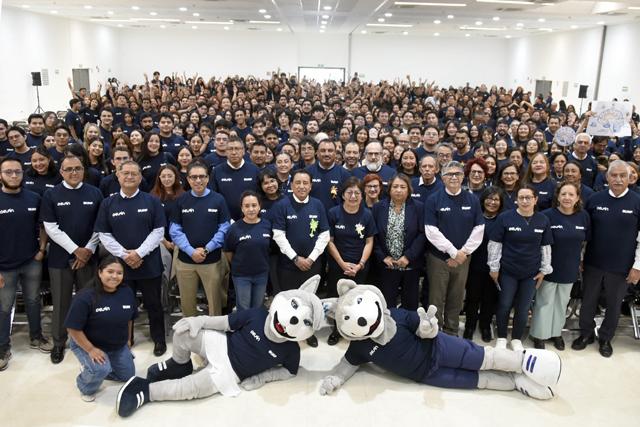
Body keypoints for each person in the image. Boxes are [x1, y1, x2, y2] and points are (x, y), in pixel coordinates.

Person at [95, 160, 167, 356]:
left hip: (149, 264)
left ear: (140, 177)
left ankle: (159, 339)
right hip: (121, 266)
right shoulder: (108, 203)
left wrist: (138, 253)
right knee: (123, 304)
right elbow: (104, 235)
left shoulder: (152, 201)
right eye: (125, 173)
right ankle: (126, 339)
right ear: (117, 176)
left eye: (134, 173)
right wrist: (124, 255)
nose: (129, 176)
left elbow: (158, 232)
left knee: (154, 304)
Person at [573, 160, 640, 357]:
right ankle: (586, 333)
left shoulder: (637, 202)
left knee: (613, 304)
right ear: (607, 177)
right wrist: (581, 257)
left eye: (622, 176)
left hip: (622, 266)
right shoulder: (594, 199)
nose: (618, 179)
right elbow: (584, 232)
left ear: (630, 178)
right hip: (593, 263)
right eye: (614, 175)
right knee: (588, 301)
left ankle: (605, 338)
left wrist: (637, 266)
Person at [40, 155, 104, 364]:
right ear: (61, 172)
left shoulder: (95, 193)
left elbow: (100, 225)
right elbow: (51, 227)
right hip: (60, 259)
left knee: (89, 301)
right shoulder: (51, 194)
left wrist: (88, 250)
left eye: (77, 168)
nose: (74, 172)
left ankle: (89, 341)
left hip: (89, 258)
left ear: (83, 170)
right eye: (69, 169)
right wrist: (76, 250)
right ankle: (59, 343)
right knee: (61, 303)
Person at [0, 157, 53, 371]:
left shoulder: (34, 198)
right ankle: (3, 347)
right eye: (8, 172)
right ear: (0, 175)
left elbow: (43, 226)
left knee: (33, 301)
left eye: (17, 171)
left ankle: (36, 337)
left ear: (23, 173)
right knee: (4, 307)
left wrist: (41, 250)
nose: (14, 175)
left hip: (31, 261)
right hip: (4, 266)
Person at [487, 184, 553, 351]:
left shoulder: (543, 220)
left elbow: (545, 247)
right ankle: (502, 337)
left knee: (523, 308)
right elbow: (495, 244)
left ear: (535, 199)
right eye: (521, 198)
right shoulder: (505, 218)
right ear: (516, 200)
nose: (524, 201)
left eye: (528, 197)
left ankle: (516, 339)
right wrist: (493, 267)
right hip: (508, 271)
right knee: (504, 304)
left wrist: (544, 270)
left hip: (531, 274)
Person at [65, 256, 137, 401]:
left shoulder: (127, 292)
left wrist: (128, 340)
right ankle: (85, 381)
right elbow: (72, 329)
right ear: (100, 272)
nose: (115, 276)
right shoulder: (85, 297)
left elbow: (130, 318)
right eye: (110, 272)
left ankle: (102, 366)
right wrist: (91, 350)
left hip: (117, 344)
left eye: (119, 273)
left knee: (128, 376)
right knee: (100, 370)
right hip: (88, 344)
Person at [424, 161, 485, 336]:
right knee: (436, 298)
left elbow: (479, 228)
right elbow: (431, 230)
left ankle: (451, 332)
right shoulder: (433, 199)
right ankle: (435, 332)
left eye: (457, 174)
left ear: (463, 177)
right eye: (449, 174)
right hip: (438, 258)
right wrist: (453, 252)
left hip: (463, 259)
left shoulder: (472, 199)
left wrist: (463, 253)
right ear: (442, 178)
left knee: (456, 297)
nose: (453, 177)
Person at [270, 169, 330, 347]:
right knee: (290, 301)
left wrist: (310, 259)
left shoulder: (318, 205)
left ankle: (308, 332)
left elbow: (324, 234)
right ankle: (287, 333)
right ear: (291, 185)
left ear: (311, 186)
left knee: (309, 301)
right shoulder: (282, 205)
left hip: (312, 265)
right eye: (298, 183)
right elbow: (278, 235)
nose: (302, 186)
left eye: (305, 183)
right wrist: (296, 258)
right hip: (288, 265)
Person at [529, 182, 590, 350]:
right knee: (544, 302)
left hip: (570, 267)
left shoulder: (583, 216)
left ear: (577, 198)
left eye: (571, 194)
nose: (567, 198)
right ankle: (540, 335)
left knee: (562, 303)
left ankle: (556, 333)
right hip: (548, 267)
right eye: (563, 194)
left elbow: (585, 242)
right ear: (558, 196)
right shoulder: (547, 215)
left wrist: (581, 261)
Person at [170, 161, 231, 316]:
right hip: (185, 260)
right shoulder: (181, 200)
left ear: (208, 178)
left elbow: (224, 228)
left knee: (215, 304)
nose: (198, 180)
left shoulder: (218, 199)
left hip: (212, 260)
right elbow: (175, 231)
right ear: (188, 179)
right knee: (187, 305)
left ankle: (214, 331)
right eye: (194, 177)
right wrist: (191, 251)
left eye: (202, 176)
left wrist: (207, 249)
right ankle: (190, 330)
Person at [326, 177, 377, 344]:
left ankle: (356, 330)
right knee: (337, 298)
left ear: (362, 195)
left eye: (357, 193)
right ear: (343, 195)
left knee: (357, 299)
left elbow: (369, 242)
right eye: (349, 192)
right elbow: (329, 241)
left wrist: (360, 264)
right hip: (337, 265)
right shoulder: (334, 213)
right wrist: (342, 263)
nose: (353, 196)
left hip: (359, 265)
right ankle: (337, 329)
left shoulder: (367, 215)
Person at [372, 174, 425, 310]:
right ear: (389, 189)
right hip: (387, 265)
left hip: (410, 265)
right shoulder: (378, 207)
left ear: (409, 190)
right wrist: (383, 257)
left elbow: (422, 234)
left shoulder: (418, 207)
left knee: (410, 305)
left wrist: (408, 256)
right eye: (395, 187)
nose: (399, 190)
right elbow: (373, 236)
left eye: (403, 187)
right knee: (387, 305)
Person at [463, 187, 505, 342]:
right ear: (483, 200)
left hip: (495, 267)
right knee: (472, 298)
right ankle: (469, 326)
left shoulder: (504, 219)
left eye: (496, 199)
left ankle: (485, 326)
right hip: (474, 265)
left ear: (501, 203)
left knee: (490, 299)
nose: (492, 202)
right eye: (489, 198)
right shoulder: (475, 217)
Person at [224, 191, 272, 311]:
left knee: (257, 307)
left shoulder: (267, 225)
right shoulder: (234, 229)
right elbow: (228, 252)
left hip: (261, 274)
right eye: (247, 206)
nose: (251, 209)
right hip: (241, 276)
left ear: (259, 206)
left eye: (254, 205)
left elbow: (269, 248)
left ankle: (254, 324)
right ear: (242, 208)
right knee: (243, 308)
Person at [209, 137, 260, 221]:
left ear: (243, 151)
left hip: (251, 219)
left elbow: (260, 196)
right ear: (226, 151)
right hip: (225, 221)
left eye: (237, 149)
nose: (234, 152)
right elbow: (213, 198)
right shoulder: (217, 171)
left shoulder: (254, 170)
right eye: (230, 149)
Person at [306, 139, 352, 213]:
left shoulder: (345, 174)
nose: (326, 154)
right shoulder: (307, 172)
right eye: (323, 150)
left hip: (335, 217)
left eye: (330, 151)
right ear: (317, 153)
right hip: (312, 216)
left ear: (335, 153)